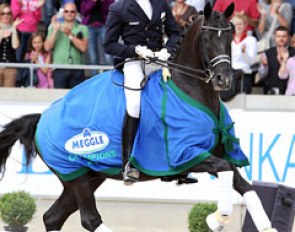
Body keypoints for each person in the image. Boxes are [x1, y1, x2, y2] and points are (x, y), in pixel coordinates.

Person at [104, 0, 180, 184]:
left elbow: (175, 33)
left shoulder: (160, 4)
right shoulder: (118, 7)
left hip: (159, 60)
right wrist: (135, 50)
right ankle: (128, 163)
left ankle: (179, 160)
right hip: (134, 62)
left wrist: (167, 51)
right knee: (135, 104)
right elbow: (109, 44)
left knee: (177, 101)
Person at [44, 2, 88, 89]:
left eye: (72, 12)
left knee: (76, 99)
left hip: (77, 68)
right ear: (63, 13)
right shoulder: (53, 27)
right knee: (59, 98)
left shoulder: (82, 28)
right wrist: (55, 30)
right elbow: (47, 47)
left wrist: (69, 35)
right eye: (66, 11)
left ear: (76, 13)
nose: (69, 14)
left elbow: (83, 48)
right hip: (59, 68)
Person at [80, 0, 114, 76]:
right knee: (92, 57)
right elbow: (83, 11)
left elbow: (111, 9)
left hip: (104, 26)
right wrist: (93, 2)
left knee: (107, 55)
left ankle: (109, 77)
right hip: (89, 27)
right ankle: (94, 80)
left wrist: (103, 2)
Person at [259, 26, 295, 94]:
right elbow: (262, 74)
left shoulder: (294, 52)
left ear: (289, 37)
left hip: (289, 91)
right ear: (274, 37)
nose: (281, 39)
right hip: (271, 89)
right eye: (278, 36)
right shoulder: (267, 53)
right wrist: (265, 66)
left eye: (284, 36)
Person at [231, 13, 258, 94]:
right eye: (236, 24)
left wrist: (244, 53)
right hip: (230, 75)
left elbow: (251, 61)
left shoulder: (251, 40)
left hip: (244, 74)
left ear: (245, 25)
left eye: (241, 24)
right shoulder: (228, 39)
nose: (238, 26)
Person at [0, 4, 21, 87]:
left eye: (8, 13)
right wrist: (1, 36)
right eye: (3, 13)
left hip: (10, 67)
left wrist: (13, 29)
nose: (6, 16)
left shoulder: (15, 29)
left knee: (8, 94)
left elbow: (15, 46)